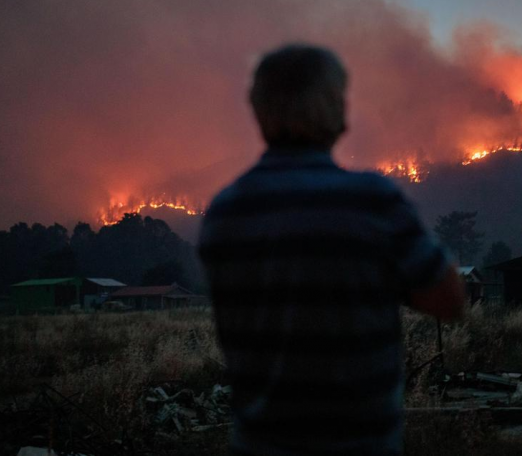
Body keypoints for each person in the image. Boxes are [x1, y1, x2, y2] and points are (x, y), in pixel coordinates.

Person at [198, 44, 465, 456]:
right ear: (332, 109)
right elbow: (449, 301)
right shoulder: (373, 201)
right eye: (341, 95)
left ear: (259, 110)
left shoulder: (224, 213)